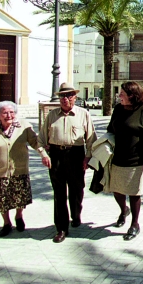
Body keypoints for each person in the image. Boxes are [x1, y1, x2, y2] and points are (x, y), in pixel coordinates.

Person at [0, 101, 47, 236]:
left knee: (20, 198)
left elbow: (35, 142)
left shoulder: (24, 126)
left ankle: (19, 216)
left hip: (19, 169)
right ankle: (6, 223)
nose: (9, 115)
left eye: (12, 112)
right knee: (2, 200)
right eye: (5, 113)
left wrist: (43, 154)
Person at [39, 82, 97, 243]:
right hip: (56, 155)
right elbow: (41, 139)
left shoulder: (83, 114)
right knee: (59, 193)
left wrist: (88, 157)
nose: (65, 99)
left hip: (76, 155)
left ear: (75, 97)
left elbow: (91, 138)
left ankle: (76, 215)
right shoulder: (52, 115)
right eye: (62, 96)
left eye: (69, 95)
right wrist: (44, 155)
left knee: (77, 189)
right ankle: (61, 228)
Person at [107, 81, 143, 241]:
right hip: (117, 157)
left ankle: (135, 224)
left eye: (122, 94)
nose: (119, 96)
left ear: (131, 95)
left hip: (137, 159)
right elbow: (110, 130)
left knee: (134, 193)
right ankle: (124, 210)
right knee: (117, 190)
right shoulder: (118, 109)